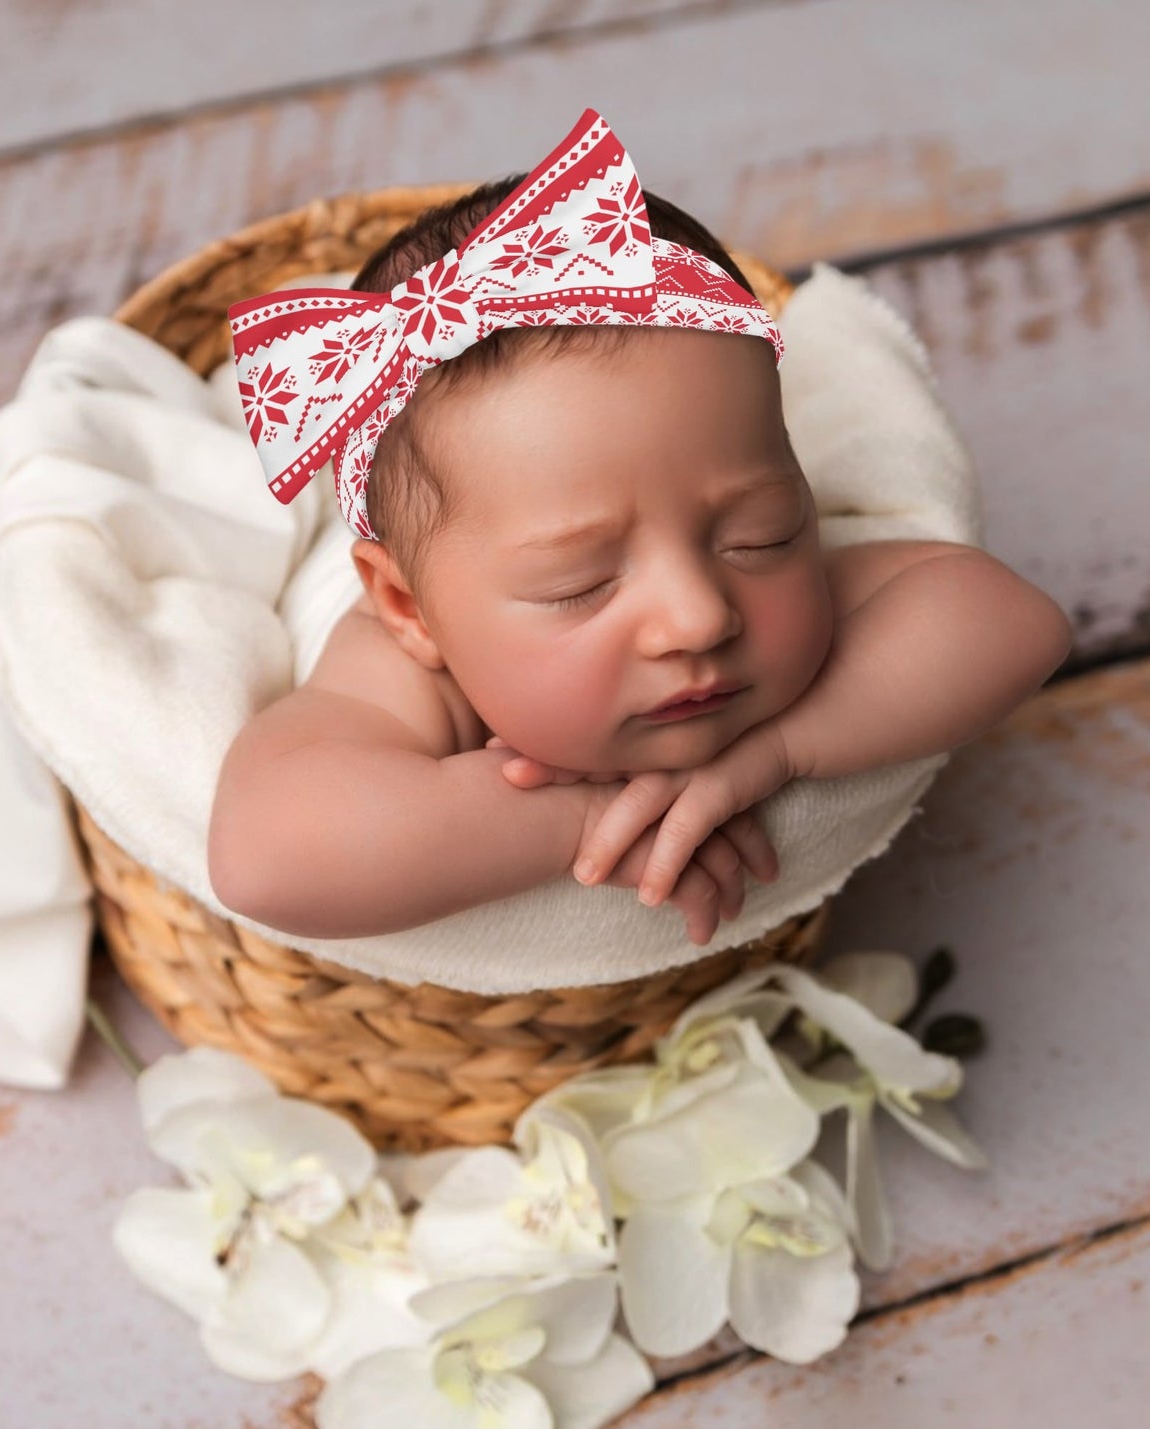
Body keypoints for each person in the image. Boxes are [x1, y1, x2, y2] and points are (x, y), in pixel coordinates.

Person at [207, 112, 1072, 947]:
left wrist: (773, 753)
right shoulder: (397, 666)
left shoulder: (767, 591)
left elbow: (1011, 621)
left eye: (759, 533)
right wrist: (587, 817)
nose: (699, 615)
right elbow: (265, 856)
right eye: (577, 584)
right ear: (409, 607)